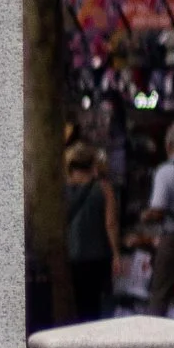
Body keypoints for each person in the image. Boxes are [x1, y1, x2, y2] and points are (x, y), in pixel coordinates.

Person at [63, 140, 119, 329]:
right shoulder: (103, 188)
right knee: (95, 306)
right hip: (98, 256)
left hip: (70, 256)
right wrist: (116, 254)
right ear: (92, 163)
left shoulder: (61, 191)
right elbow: (110, 223)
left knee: (76, 305)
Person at [150, 118, 174, 319]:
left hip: (173, 238)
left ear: (169, 145)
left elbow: (158, 211)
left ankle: (153, 342)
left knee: (160, 293)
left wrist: (145, 215)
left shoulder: (166, 171)